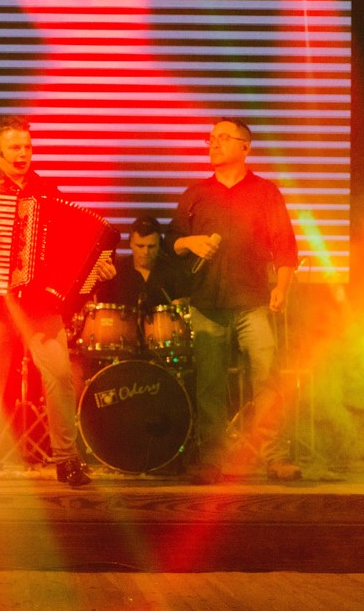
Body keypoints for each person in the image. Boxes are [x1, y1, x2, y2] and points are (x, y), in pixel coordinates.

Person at [0, 115, 113, 491]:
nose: (23, 153)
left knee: (59, 376)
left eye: (28, 146)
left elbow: (72, 245)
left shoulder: (47, 190)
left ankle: (66, 460)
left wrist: (97, 266)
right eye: (15, 147)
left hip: (41, 302)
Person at [166, 118, 300, 483]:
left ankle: (275, 456)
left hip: (253, 300)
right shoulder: (196, 194)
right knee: (209, 384)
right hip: (207, 303)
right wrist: (189, 242)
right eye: (210, 138)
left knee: (267, 379)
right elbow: (171, 241)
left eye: (222, 138)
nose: (213, 144)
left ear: (245, 147)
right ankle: (213, 460)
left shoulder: (265, 192)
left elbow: (285, 244)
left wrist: (282, 286)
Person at [92, 216, 189, 310]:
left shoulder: (173, 272)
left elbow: (187, 299)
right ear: (130, 243)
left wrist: (183, 301)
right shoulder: (115, 271)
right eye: (140, 246)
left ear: (160, 244)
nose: (146, 252)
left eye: (151, 246)